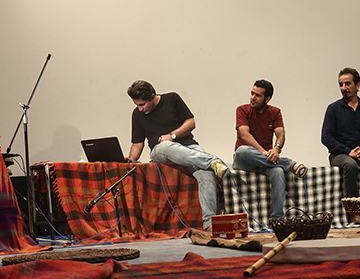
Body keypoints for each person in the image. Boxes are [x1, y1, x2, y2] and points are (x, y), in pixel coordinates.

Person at [127, 80, 228, 231]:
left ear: (152, 96)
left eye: (142, 104)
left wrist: (172, 136)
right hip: (161, 151)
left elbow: (191, 123)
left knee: (206, 173)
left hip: (188, 146)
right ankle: (212, 161)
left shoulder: (172, 99)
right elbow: (137, 143)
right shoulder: (137, 114)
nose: (140, 109)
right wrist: (131, 160)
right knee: (165, 146)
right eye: (137, 105)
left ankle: (209, 224)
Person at [233, 80, 307, 219]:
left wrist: (276, 149)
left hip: (265, 161)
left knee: (278, 171)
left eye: (258, 95)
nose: (253, 97)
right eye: (252, 93)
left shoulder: (275, 112)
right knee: (242, 151)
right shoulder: (242, 109)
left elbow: (281, 135)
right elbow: (244, 135)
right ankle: (288, 163)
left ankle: (276, 218)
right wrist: (263, 152)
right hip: (246, 160)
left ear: (267, 99)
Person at [321, 67, 360, 221]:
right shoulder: (333, 108)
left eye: (347, 84)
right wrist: (348, 151)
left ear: (357, 85)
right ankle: (354, 212)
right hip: (340, 153)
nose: (344, 88)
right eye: (341, 84)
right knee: (350, 165)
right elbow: (326, 137)